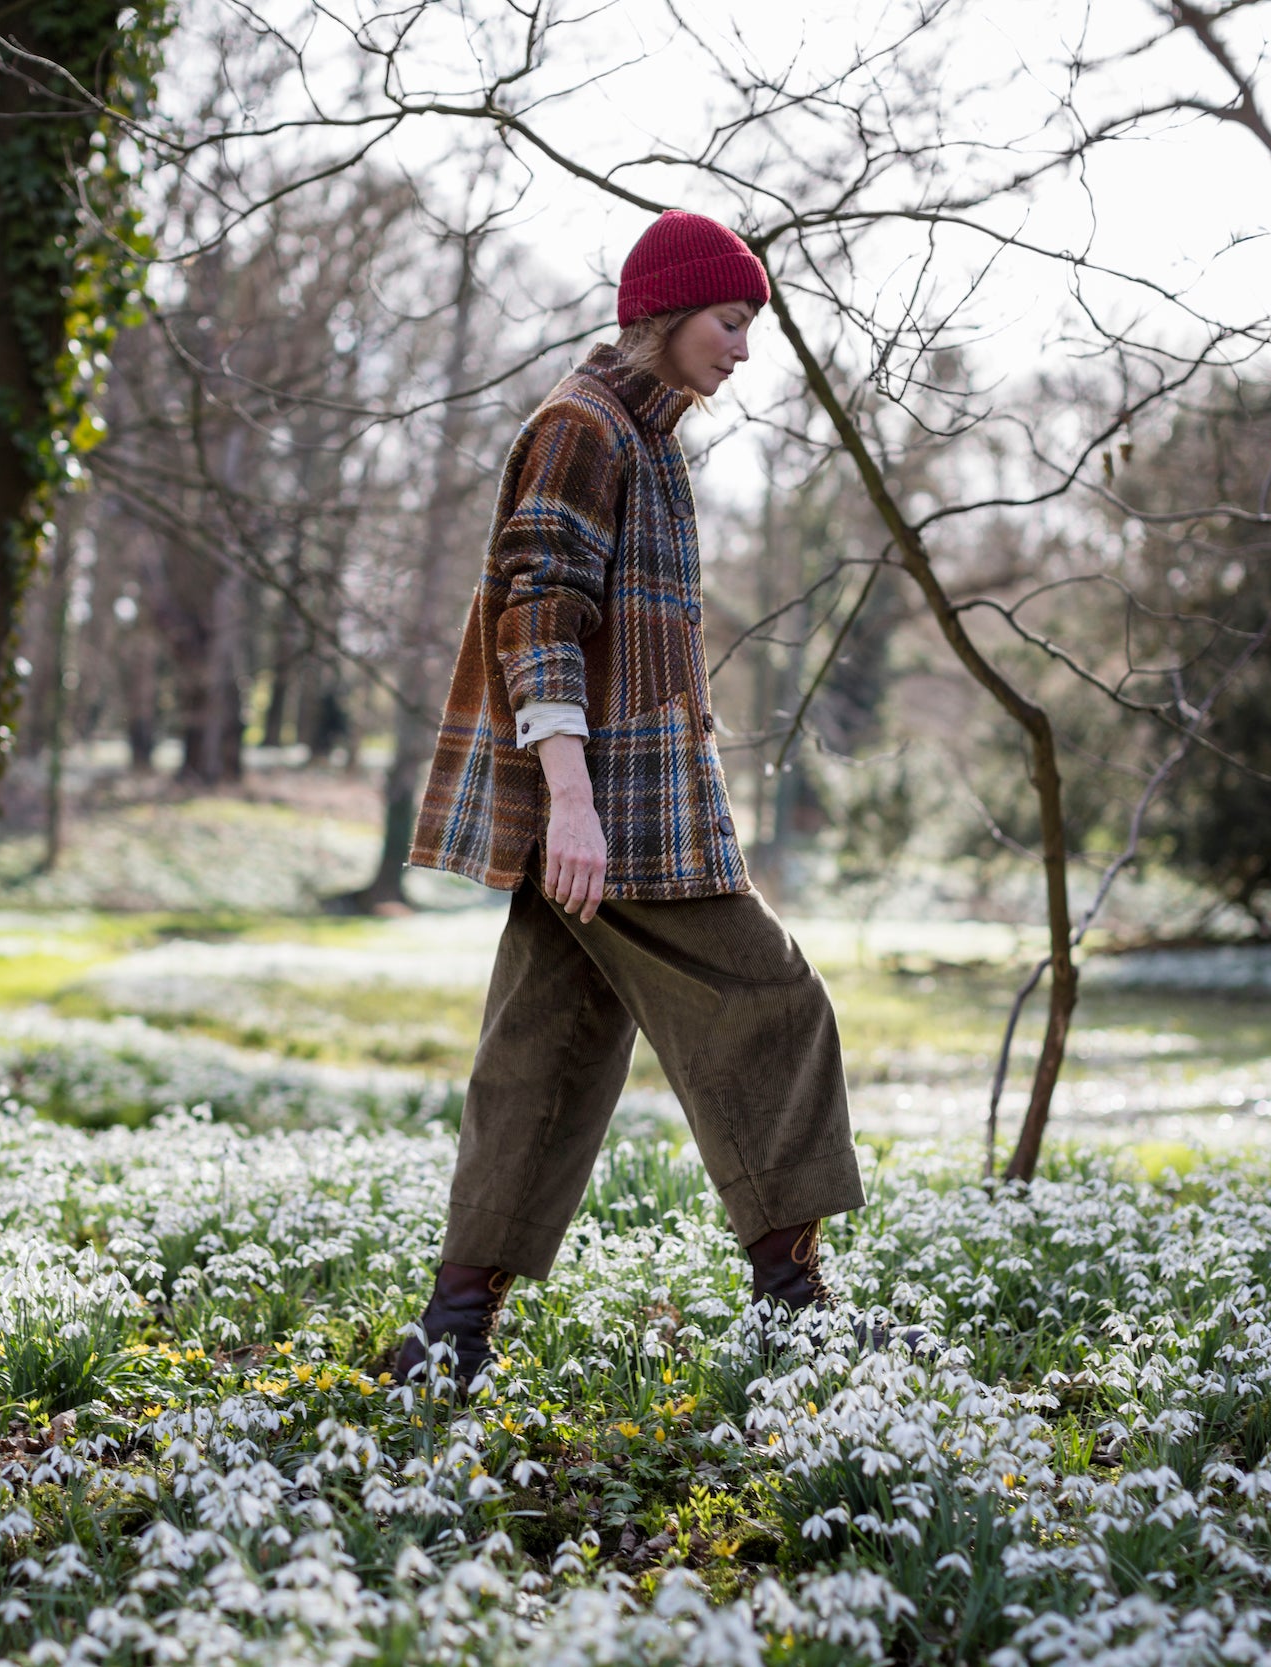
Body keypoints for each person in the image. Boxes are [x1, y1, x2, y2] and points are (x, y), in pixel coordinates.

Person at [395, 210, 868, 1386]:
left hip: (627, 806)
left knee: (545, 1045)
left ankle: (453, 1329)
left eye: (751, 322)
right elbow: (537, 612)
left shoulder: (645, 438)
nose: (744, 348)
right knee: (772, 1002)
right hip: (615, 817)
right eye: (728, 320)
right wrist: (570, 802)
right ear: (661, 315)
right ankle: (792, 1302)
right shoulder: (580, 425)